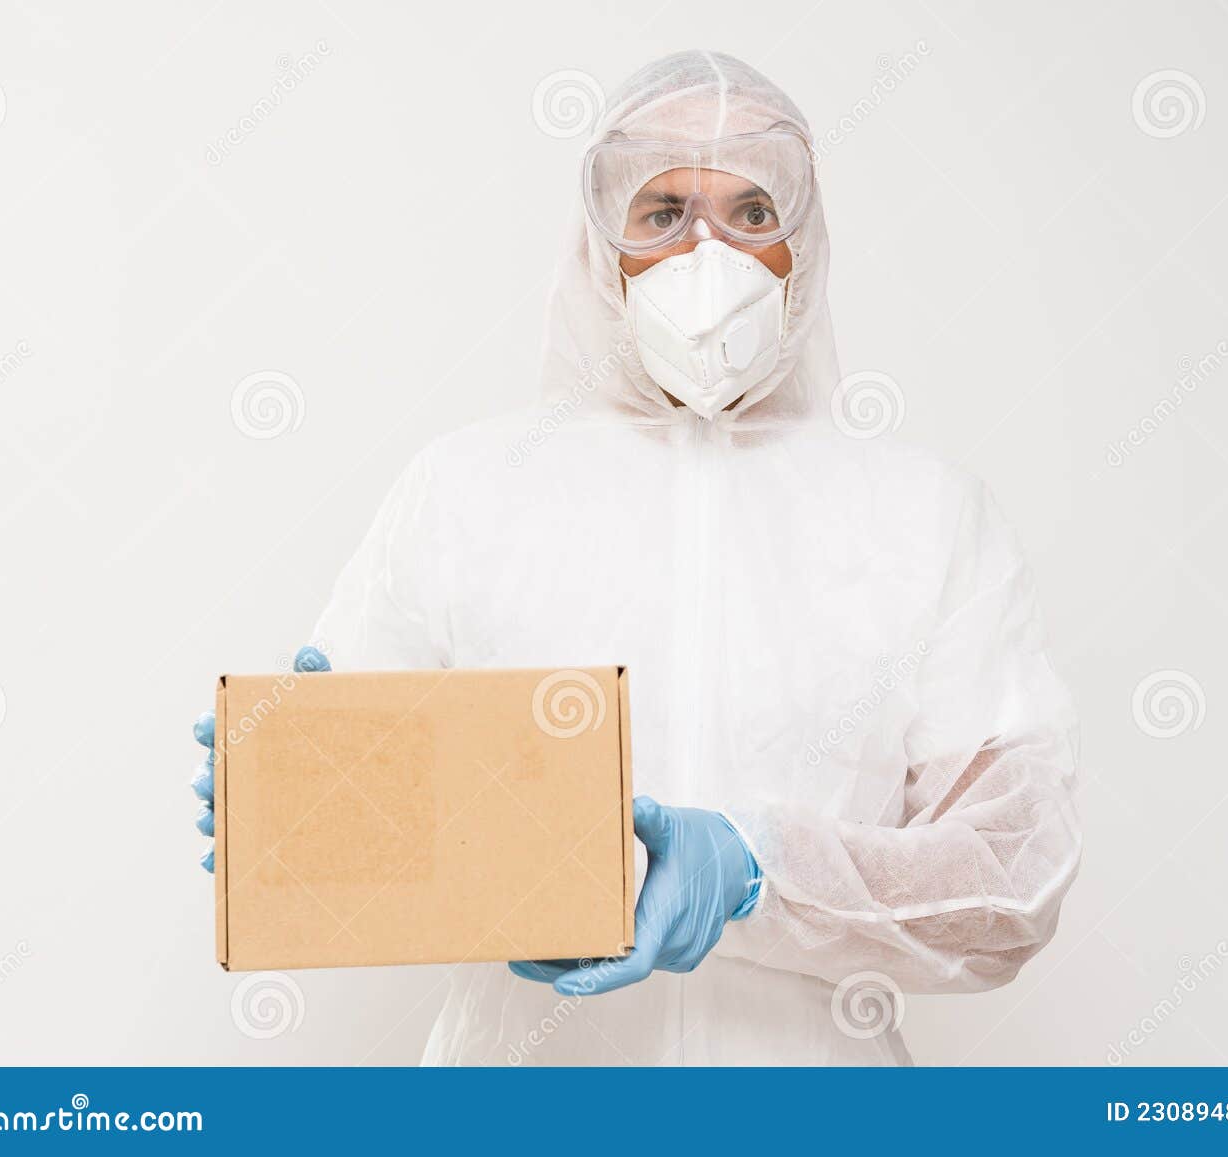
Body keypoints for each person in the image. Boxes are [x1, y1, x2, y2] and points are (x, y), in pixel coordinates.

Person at [190, 49, 1080, 1065]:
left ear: (805, 243)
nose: (712, 254)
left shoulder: (924, 516)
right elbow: (349, 832)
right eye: (662, 213)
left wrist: (759, 870)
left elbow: (1014, 875)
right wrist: (294, 803)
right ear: (600, 247)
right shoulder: (470, 489)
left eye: (753, 212)